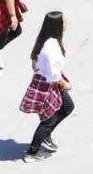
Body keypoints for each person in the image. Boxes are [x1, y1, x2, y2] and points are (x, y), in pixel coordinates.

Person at [18, 11, 74, 163]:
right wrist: (65, 84)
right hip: (48, 84)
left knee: (67, 107)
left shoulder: (46, 40)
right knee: (48, 118)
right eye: (64, 21)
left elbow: (34, 63)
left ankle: (45, 136)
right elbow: (54, 74)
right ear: (58, 26)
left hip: (46, 80)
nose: (67, 22)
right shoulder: (52, 47)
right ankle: (33, 152)